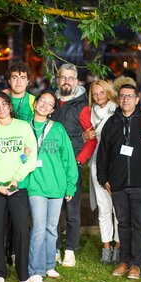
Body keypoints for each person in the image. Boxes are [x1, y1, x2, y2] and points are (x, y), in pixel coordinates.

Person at [97, 84, 141, 280]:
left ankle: (136, 264)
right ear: (118, 99)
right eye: (122, 96)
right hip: (118, 183)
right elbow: (103, 153)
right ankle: (124, 260)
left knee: (139, 224)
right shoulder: (111, 123)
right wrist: (103, 178)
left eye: (130, 96)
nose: (125, 99)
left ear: (137, 99)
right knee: (123, 223)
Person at [0, 92, 37, 282]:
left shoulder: (23, 127)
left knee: (21, 229)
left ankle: (23, 274)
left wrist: (15, 179)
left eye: (4, 104)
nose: (1, 108)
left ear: (10, 106)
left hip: (17, 186)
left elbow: (30, 155)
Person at [27, 90, 78, 282]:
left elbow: (68, 158)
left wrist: (70, 185)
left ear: (52, 110)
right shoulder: (25, 127)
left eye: (50, 104)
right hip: (35, 185)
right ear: (35, 103)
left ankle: (49, 265)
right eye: (42, 101)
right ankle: (35, 270)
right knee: (39, 228)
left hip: (57, 185)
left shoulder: (58, 129)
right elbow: (19, 156)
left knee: (52, 228)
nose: (45, 105)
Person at [52, 63, 96, 267]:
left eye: (70, 78)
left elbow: (91, 139)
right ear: (57, 79)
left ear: (76, 81)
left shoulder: (82, 106)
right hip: (51, 167)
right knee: (53, 210)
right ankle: (53, 249)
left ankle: (70, 250)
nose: (66, 81)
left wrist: (79, 161)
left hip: (72, 167)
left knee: (72, 210)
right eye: (63, 77)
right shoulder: (50, 102)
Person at [85, 80, 120, 264]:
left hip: (116, 162)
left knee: (118, 207)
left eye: (101, 92)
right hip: (97, 163)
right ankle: (106, 247)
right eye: (95, 93)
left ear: (108, 92)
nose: (98, 96)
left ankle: (119, 247)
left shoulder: (117, 109)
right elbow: (85, 137)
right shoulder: (89, 112)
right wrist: (84, 135)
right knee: (103, 206)